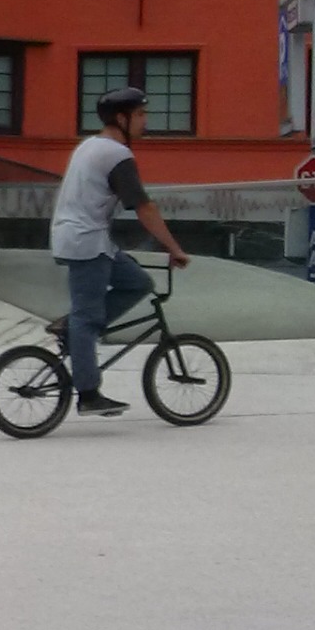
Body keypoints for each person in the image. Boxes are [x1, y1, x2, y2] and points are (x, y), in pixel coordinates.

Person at [50, 86, 189, 418]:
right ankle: (88, 393)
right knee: (87, 318)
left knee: (138, 282)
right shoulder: (115, 154)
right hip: (86, 242)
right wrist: (174, 248)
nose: (145, 121)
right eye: (140, 115)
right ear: (121, 119)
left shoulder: (90, 146)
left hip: (88, 239)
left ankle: (74, 329)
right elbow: (144, 207)